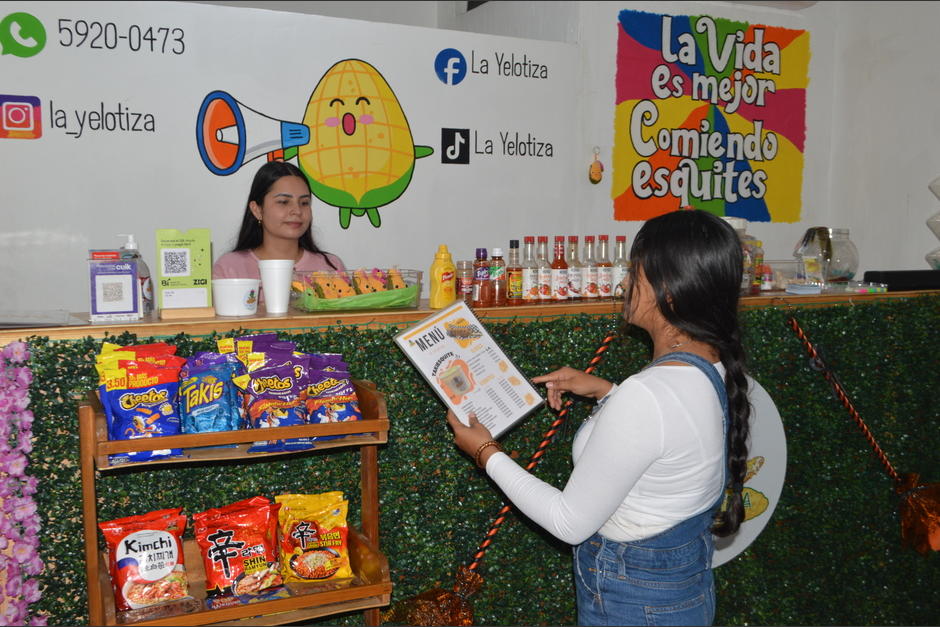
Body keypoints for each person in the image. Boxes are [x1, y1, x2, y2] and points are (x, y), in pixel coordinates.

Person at [447, 209, 751, 626]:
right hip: (682, 594)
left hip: (634, 604)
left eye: (635, 272)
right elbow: (669, 436)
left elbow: (568, 521)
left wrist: (484, 452)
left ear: (671, 292)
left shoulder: (649, 397)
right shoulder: (709, 367)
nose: (624, 283)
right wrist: (608, 391)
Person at [213, 161, 345, 281]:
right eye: (284, 202)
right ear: (257, 210)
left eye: (304, 203)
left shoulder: (331, 268)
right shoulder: (230, 268)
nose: (297, 211)